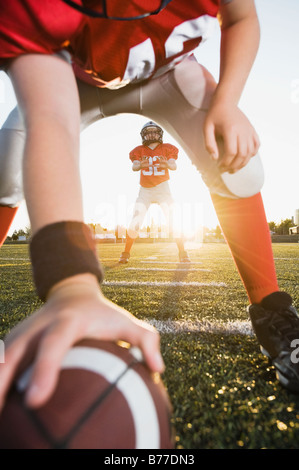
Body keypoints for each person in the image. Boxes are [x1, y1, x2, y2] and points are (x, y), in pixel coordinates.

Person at [0, 0, 298, 416]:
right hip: (69, 79)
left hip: (169, 74)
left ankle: (272, 310)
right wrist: (70, 283)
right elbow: (51, 118)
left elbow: (242, 16)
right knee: (7, 166)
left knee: (240, 167)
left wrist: (227, 101)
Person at [119, 121, 190, 264]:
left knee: (173, 220)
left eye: (154, 131)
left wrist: (167, 164)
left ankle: (183, 253)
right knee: (136, 221)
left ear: (159, 134)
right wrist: (139, 165)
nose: (152, 134)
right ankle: (125, 253)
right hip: (145, 189)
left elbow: (174, 166)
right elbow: (134, 167)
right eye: (149, 131)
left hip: (163, 189)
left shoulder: (167, 148)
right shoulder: (138, 150)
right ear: (144, 135)